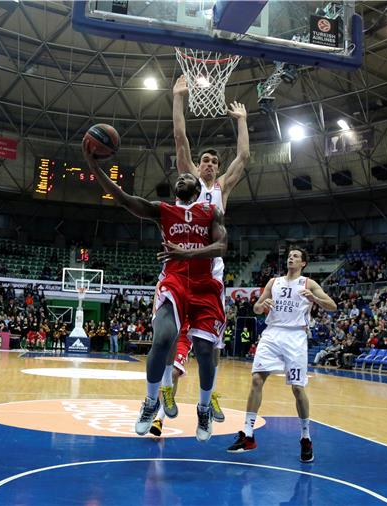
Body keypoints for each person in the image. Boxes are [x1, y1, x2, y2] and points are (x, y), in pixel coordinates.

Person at [84, 145, 227, 442]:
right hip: (174, 281)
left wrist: (189, 255)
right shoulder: (164, 211)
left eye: (189, 176)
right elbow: (123, 198)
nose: (183, 177)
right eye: (180, 176)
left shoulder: (210, 211)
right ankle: (150, 402)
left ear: (198, 187)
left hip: (204, 285)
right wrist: (94, 166)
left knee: (203, 351)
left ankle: (203, 406)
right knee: (162, 339)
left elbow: (223, 247)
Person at [149, 75, 250, 437]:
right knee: (172, 339)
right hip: (179, 268)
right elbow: (180, 137)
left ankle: (210, 394)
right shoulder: (187, 182)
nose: (207, 164)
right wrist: (178, 98)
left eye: (212, 161)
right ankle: (161, 401)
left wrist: (241, 121)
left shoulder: (222, 187)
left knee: (212, 343)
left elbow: (244, 157)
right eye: (203, 160)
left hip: (211, 273)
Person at [227, 248, 337, 462]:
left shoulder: (308, 284)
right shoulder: (273, 282)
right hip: (272, 333)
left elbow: (332, 306)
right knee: (257, 379)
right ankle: (248, 435)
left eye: (296, 256)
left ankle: (305, 437)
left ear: (303, 263)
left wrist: (314, 298)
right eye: (290, 255)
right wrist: (262, 304)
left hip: (295, 337)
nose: (291, 258)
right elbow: (257, 309)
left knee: (297, 388)